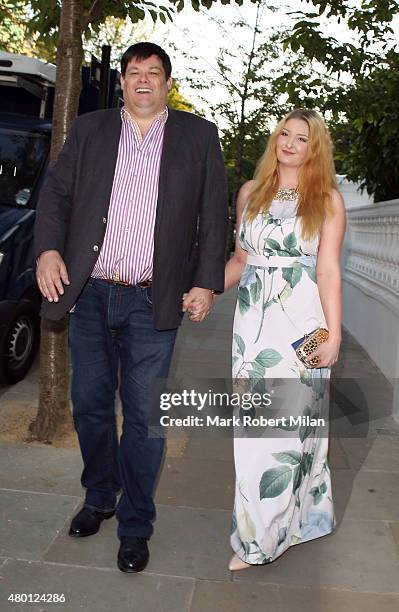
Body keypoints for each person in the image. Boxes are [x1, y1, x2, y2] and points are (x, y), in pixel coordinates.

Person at [34, 42, 227, 573]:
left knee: (144, 418)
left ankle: (136, 524)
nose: (143, 81)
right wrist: (49, 248)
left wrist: (207, 282)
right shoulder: (92, 130)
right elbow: (55, 195)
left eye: (154, 73)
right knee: (91, 406)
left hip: (153, 298)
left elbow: (214, 213)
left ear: (167, 83)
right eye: (134, 73)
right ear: (122, 82)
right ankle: (100, 498)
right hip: (90, 293)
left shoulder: (197, 135)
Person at [221, 108, 346, 570]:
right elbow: (240, 259)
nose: (290, 143)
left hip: (302, 325)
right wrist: (202, 289)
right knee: (258, 433)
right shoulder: (250, 194)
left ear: (315, 148)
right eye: (285, 134)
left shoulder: (327, 199)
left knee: (293, 433)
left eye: (302, 138)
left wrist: (332, 335)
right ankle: (277, 527)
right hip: (253, 330)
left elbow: (328, 270)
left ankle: (267, 539)